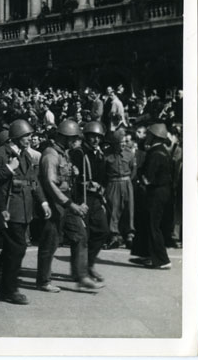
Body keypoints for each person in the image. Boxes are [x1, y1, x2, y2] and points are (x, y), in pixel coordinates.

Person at [36, 119, 103, 292]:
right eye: (73, 138)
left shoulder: (64, 153)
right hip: (55, 203)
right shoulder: (50, 155)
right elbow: (50, 184)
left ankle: (81, 277)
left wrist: (73, 174)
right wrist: (71, 205)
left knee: (80, 235)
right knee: (50, 242)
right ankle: (43, 280)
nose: (76, 141)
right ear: (64, 137)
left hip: (66, 202)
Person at [0, 119, 46, 305]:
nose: (30, 139)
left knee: (14, 249)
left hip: (24, 210)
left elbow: (33, 181)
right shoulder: (0, 154)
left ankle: (5, 286)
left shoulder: (25, 155)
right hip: (9, 210)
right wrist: (9, 168)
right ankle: (9, 290)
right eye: (27, 136)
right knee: (17, 248)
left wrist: (43, 201)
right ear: (16, 136)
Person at [69, 121, 109, 282]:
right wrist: (86, 184)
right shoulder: (78, 153)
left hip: (96, 199)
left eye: (98, 137)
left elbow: (104, 177)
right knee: (82, 236)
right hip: (81, 198)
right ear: (86, 136)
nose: (96, 140)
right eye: (93, 136)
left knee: (102, 230)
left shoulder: (99, 154)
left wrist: (101, 188)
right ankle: (79, 272)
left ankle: (89, 264)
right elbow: (73, 178)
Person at [131, 123, 172, 269]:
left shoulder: (155, 153)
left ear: (154, 137)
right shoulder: (162, 151)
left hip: (155, 193)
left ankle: (162, 260)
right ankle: (148, 255)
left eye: (148, 135)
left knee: (152, 225)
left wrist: (139, 174)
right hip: (161, 191)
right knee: (149, 222)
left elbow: (147, 178)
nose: (146, 137)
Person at [104, 129, 136, 249]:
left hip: (127, 183)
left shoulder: (129, 153)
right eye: (120, 143)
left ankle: (129, 236)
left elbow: (133, 170)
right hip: (113, 183)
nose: (123, 145)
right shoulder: (107, 154)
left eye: (124, 142)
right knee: (113, 209)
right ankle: (114, 237)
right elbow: (103, 171)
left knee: (129, 209)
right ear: (114, 143)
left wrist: (128, 181)